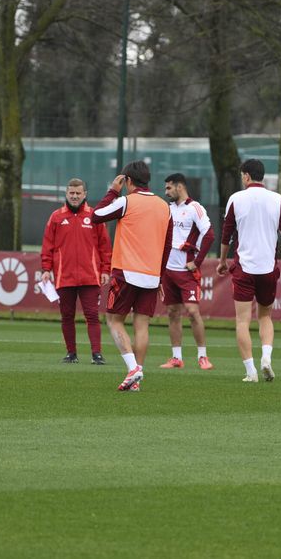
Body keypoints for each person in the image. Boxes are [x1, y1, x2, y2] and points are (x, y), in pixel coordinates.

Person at [92, 161, 172, 392]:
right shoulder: (164, 206)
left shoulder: (125, 201)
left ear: (128, 180)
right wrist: (160, 277)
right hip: (150, 275)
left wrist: (112, 191)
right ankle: (137, 375)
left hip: (126, 272)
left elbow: (96, 216)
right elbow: (167, 246)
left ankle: (133, 368)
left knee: (114, 320)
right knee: (141, 326)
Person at [216, 159, 281, 382]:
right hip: (268, 268)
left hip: (244, 268)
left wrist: (222, 260)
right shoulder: (278, 199)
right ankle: (266, 358)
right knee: (265, 316)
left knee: (242, 321)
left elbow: (227, 234)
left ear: (246, 176)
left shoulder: (236, 199)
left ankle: (251, 371)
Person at [40, 178, 112, 364]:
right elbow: (47, 246)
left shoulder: (95, 216)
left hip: (90, 276)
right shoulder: (56, 217)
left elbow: (105, 246)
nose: (74, 196)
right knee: (67, 316)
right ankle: (71, 353)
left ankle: (96, 354)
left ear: (84, 194)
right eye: (71, 193)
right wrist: (46, 269)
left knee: (92, 316)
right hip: (64, 276)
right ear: (66, 193)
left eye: (78, 193)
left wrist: (105, 269)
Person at [161, 173, 215, 370]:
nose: (166, 192)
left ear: (179, 187)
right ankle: (176, 358)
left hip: (186, 270)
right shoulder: (166, 209)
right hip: (167, 269)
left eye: (169, 188)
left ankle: (202, 356)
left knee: (192, 312)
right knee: (173, 312)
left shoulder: (195, 208)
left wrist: (197, 262)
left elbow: (209, 234)